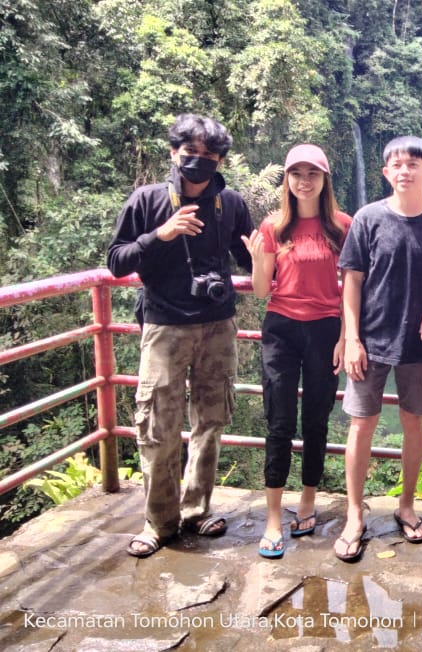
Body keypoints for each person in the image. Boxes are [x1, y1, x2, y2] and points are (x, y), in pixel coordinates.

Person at [107, 114, 253, 557]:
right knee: (158, 426)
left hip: (217, 325)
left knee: (211, 421)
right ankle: (159, 522)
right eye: (191, 153)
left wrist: (272, 254)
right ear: (173, 153)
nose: (199, 162)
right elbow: (116, 261)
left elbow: (250, 260)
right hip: (165, 325)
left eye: (210, 156)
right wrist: (160, 235)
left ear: (221, 160)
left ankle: (196, 510)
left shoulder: (231, 204)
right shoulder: (147, 200)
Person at [332, 136, 422, 563]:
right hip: (369, 339)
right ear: (386, 172)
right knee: (361, 424)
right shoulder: (368, 219)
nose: (405, 170)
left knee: (413, 422)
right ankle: (355, 513)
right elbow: (351, 281)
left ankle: (406, 505)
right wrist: (351, 338)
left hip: (418, 340)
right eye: (396, 164)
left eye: (414, 163)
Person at [242, 144, 352, 559]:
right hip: (282, 330)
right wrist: (256, 260)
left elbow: (351, 288)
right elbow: (260, 289)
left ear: (325, 180)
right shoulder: (274, 227)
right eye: (296, 173)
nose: (304, 181)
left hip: (326, 330)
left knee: (317, 420)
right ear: (286, 180)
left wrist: (345, 336)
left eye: (313, 173)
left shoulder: (342, 225)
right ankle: (273, 519)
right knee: (279, 421)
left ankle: (307, 500)